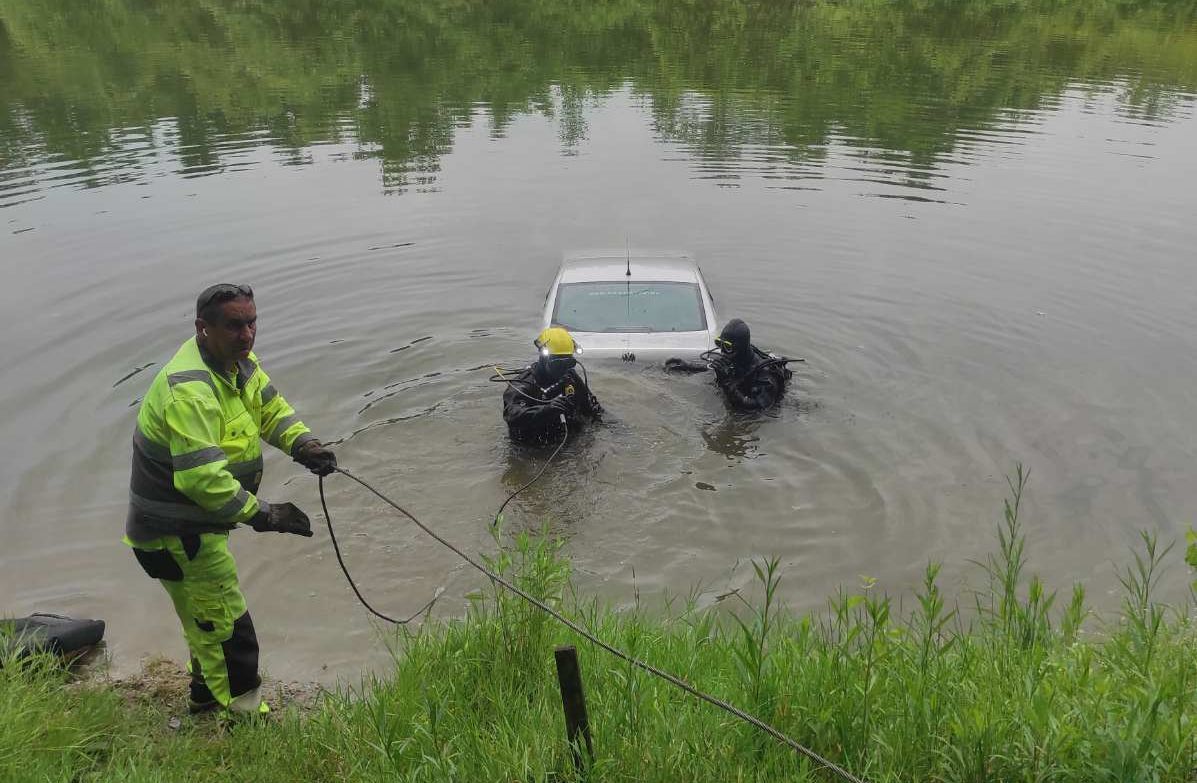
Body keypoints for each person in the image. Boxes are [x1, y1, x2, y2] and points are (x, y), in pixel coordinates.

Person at [123, 283, 337, 716]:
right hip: (175, 534)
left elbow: (270, 409)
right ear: (203, 328)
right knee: (229, 630)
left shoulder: (237, 363)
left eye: (252, 322)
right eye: (235, 325)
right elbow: (203, 481)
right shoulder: (190, 390)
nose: (247, 334)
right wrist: (267, 514)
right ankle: (245, 725)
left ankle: (204, 701)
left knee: (207, 620)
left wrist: (303, 445)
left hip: (195, 528)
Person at [501, 327, 602, 445]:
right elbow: (512, 415)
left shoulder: (570, 378)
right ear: (543, 359)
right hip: (531, 448)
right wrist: (546, 410)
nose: (563, 369)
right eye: (558, 364)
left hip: (567, 443)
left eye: (569, 363)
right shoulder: (523, 384)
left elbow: (592, 409)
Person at [665, 318, 792, 410]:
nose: (723, 352)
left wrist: (728, 384)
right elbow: (712, 366)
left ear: (741, 347)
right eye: (720, 344)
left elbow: (758, 408)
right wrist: (688, 366)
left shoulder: (764, 375)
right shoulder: (735, 357)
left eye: (728, 347)